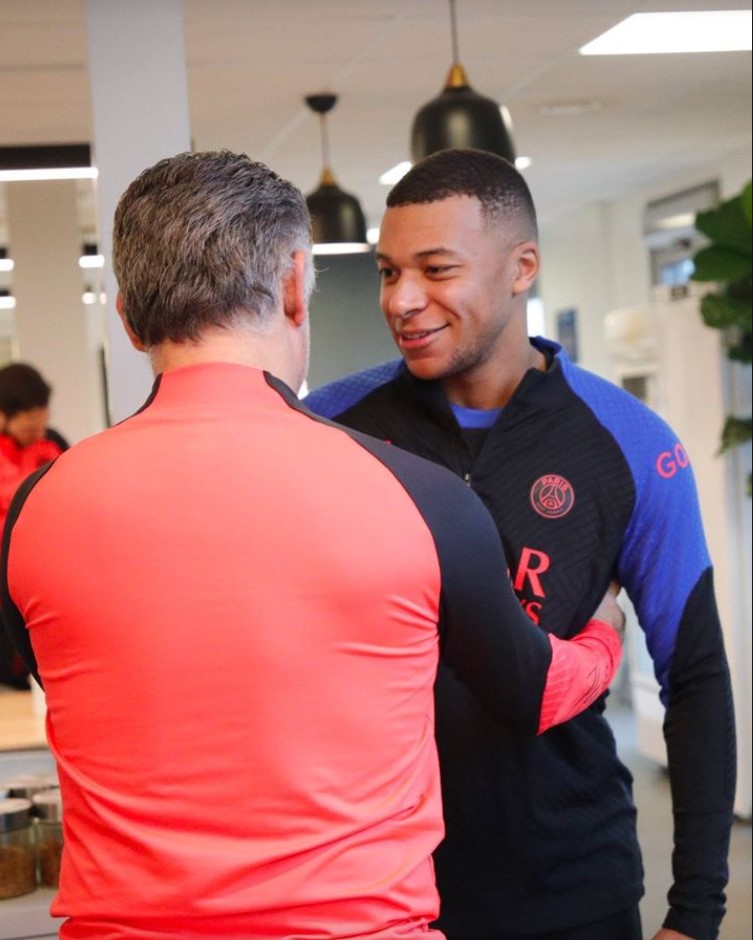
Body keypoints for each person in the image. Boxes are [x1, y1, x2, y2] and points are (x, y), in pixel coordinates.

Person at [0, 150, 624, 940]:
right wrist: (604, 632)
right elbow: (533, 691)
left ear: (127, 317)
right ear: (296, 286)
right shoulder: (418, 496)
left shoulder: (36, 508)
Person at [304, 149, 736, 940]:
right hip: (378, 891)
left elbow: (696, 675)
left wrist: (697, 912)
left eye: (435, 270)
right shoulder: (330, 432)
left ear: (520, 268)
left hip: (571, 886)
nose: (402, 299)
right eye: (387, 271)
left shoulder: (630, 444)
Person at [0, 361, 68, 689]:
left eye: (41, 425)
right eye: (30, 429)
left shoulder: (53, 444)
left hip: (47, 573)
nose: (38, 434)